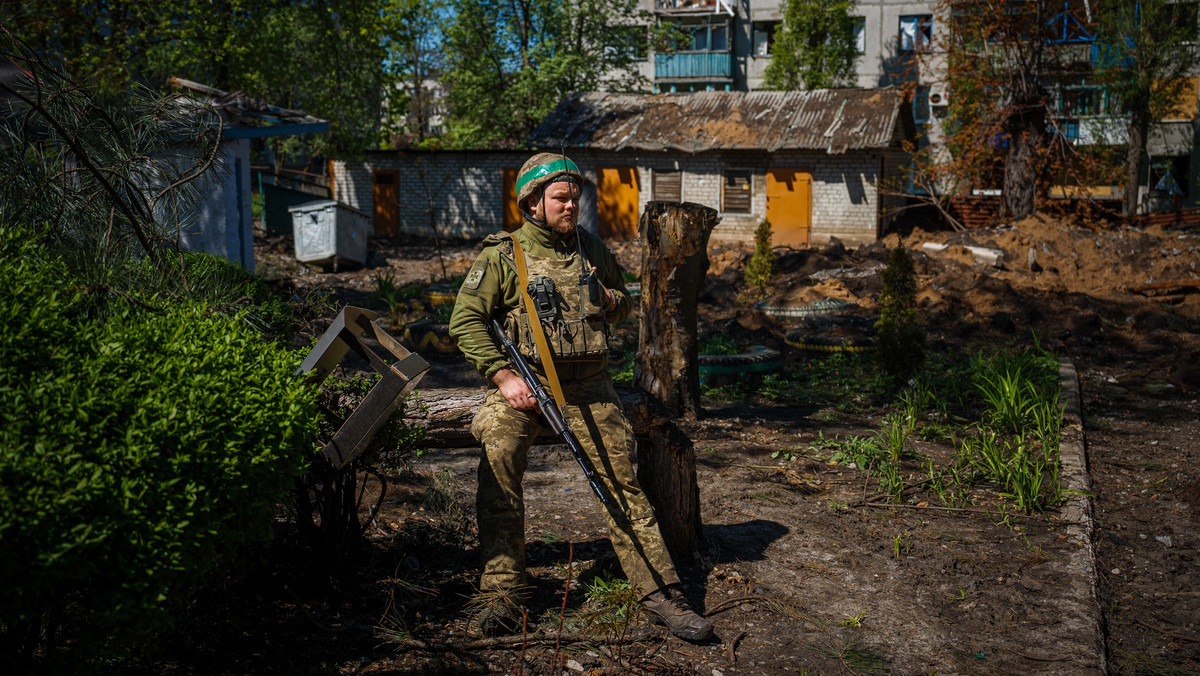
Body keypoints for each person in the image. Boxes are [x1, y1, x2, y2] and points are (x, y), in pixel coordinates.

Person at [448, 152, 714, 641]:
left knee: (620, 482)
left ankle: (660, 592)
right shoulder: (502, 256)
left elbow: (626, 303)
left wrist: (614, 302)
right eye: (560, 198)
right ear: (532, 203)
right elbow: (464, 320)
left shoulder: (590, 248)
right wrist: (503, 376)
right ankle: (502, 591)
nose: (572, 206)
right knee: (500, 458)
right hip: (527, 385)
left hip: (591, 387)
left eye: (575, 197)